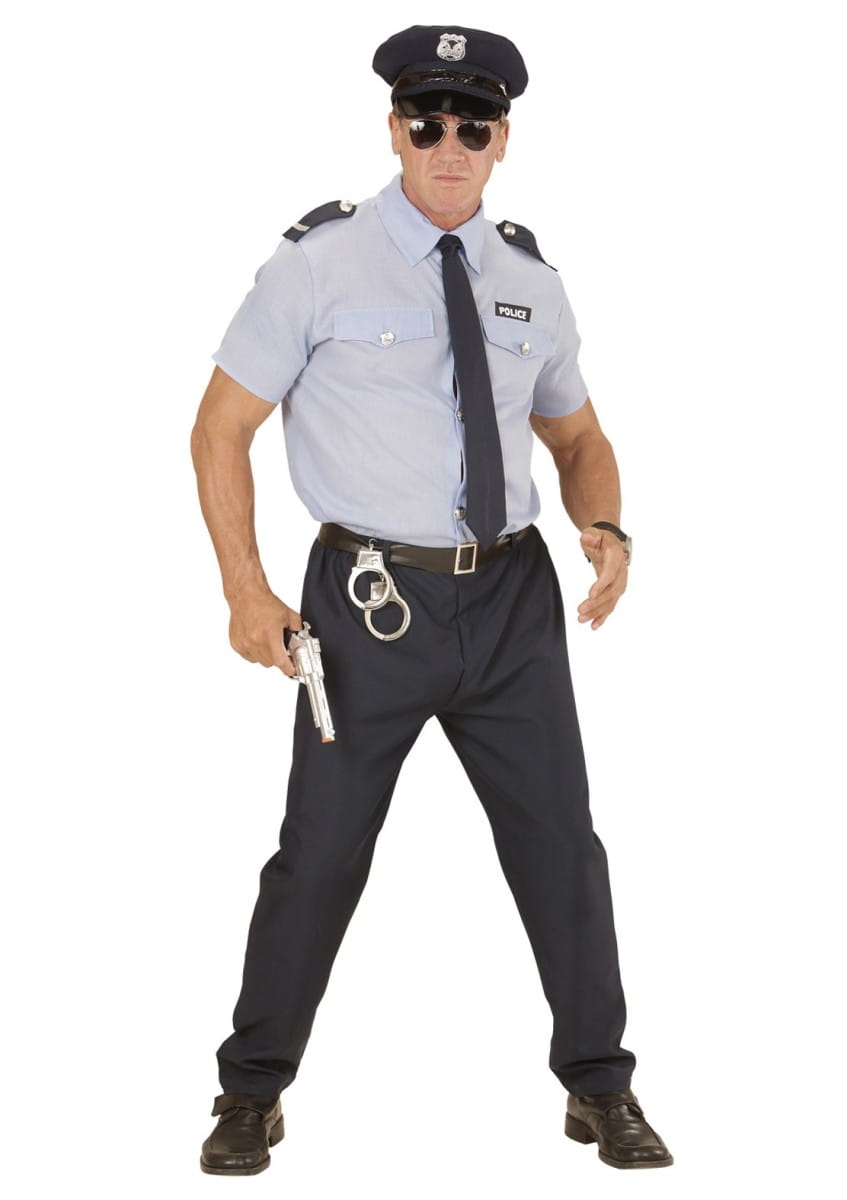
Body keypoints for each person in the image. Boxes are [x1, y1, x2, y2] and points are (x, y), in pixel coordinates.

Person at [191, 23, 672, 1176]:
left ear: (503, 139)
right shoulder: (317, 265)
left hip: (510, 605)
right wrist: (245, 589)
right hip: (369, 607)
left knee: (560, 847)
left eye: (472, 124)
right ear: (394, 130)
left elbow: (577, 437)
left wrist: (604, 526)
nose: (448, 144)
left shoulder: (530, 282)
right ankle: (251, 1091)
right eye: (427, 123)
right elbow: (219, 429)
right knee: (320, 854)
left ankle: (599, 1084)